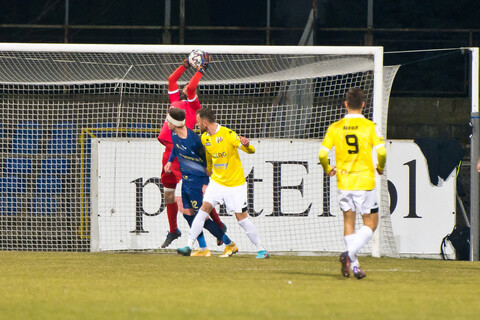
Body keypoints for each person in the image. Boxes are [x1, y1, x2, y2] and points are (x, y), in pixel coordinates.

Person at [177, 107, 270, 258]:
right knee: (202, 210)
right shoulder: (204, 138)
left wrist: (247, 145)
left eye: (198, 122)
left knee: (242, 220)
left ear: (205, 122)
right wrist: (208, 169)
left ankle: (261, 249)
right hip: (217, 182)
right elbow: (209, 155)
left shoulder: (228, 134)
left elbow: (250, 150)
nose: (197, 125)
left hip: (235, 184)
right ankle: (189, 245)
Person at [157, 51, 225, 248]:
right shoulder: (175, 103)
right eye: (185, 86)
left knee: (198, 198)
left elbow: (193, 86)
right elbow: (171, 79)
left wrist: (202, 69)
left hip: (184, 153)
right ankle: (173, 231)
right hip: (169, 153)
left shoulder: (194, 104)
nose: (186, 86)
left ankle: (220, 228)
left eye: (189, 87)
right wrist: (186, 63)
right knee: (168, 193)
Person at [318, 87, 386, 279]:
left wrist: (327, 168)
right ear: (363, 105)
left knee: (349, 221)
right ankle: (348, 255)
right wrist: (380, 167)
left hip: (344, 182)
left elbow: (322, 154)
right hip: (364, 182)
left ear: (346, 104)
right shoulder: (371, 127)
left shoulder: (335, 127)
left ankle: (354, 266)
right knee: (371, 223)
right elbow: (381, 152)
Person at [164, 108, 234, 257]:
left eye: (168, 120)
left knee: (201, 217)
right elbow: (175, 150)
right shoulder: (173, 133)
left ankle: (229, 244)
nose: (166, 122)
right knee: (188, 215)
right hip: (186, 182)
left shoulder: (195, 140)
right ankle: (203, 249)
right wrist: (170, 161)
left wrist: (205, 183)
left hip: (197, 183)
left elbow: (207, 158)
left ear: (174, 123)